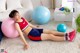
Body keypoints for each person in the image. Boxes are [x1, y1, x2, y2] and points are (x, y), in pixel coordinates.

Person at [9, 10, 76, 50]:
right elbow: (21, 34)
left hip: (34, 30)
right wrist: (26, 44)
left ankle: (67, 34)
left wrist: (35, 26)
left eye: (18, 13)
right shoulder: (16, 24)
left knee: (50, 31)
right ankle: (68, 38)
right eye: (16, 15)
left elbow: (29, 24)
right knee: (50, 36)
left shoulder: (22, 18)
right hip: (32, 35)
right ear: (14, 18)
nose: (18, 15)